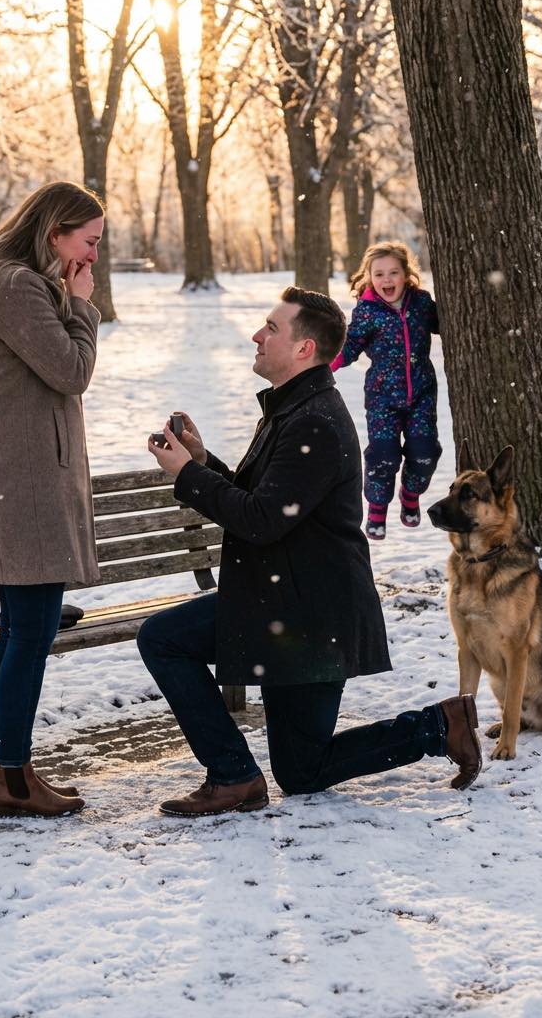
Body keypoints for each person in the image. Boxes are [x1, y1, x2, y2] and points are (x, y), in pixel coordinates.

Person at [137, 286, 481, 818]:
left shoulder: (314, 421)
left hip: (313, 619)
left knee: (301, 770)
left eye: (271, 328)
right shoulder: (293, 409)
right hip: (282, 604)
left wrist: (187, 476)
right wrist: (202, 464)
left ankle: (436, 728)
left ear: (303, 349)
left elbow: (261, 521)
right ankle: (236, 775)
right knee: (168, 644)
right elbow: (267, 505)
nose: (257, 334)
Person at [0, 180, 105, 818]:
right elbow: (71, 372)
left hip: (22, 478)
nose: (94, 257)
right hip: (23, 485)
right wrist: (81, 306)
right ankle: (12, 776)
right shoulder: (19, 286)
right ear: (56, 234)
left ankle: (8, 771)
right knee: (30, 631)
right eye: (89, 241)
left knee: (21, 630)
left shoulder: (17, 282)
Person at [331, 241, 442, 542]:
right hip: (382, 398)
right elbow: (351, 345)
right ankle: (377, 509)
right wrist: (326, 364)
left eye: (394, 272)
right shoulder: (367, 311)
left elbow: (443, 323)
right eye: (379, 274)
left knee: (425, 453)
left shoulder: (420, 302)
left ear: (406, 274)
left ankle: (411, 494)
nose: (387, 280)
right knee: (383, 456)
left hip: (421, 395)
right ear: (368, 277)